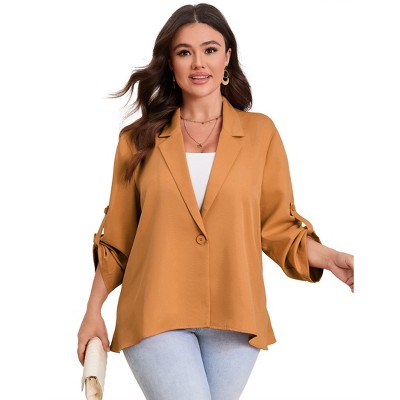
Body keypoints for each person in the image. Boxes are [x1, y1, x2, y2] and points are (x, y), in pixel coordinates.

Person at [77, 3, 354, 399]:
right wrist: (93, 312)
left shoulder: (261, 134)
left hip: (235, 318)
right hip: (154, 312)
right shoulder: (137, 140)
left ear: (227, 57)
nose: (198, 63)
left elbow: (276, 227)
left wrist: (331, 258)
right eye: (184, 52)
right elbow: (119, 240)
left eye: (209, 49)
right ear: (170, 63)